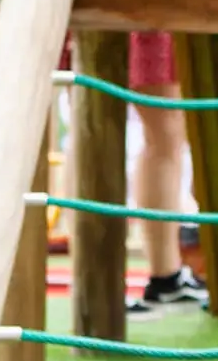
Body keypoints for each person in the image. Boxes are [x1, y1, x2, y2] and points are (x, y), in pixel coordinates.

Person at [55, 32, 209, 321]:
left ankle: (97, 280)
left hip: (93, 2)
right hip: (145, 2)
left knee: (90, 124)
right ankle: (152, 279)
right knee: (162, 129)